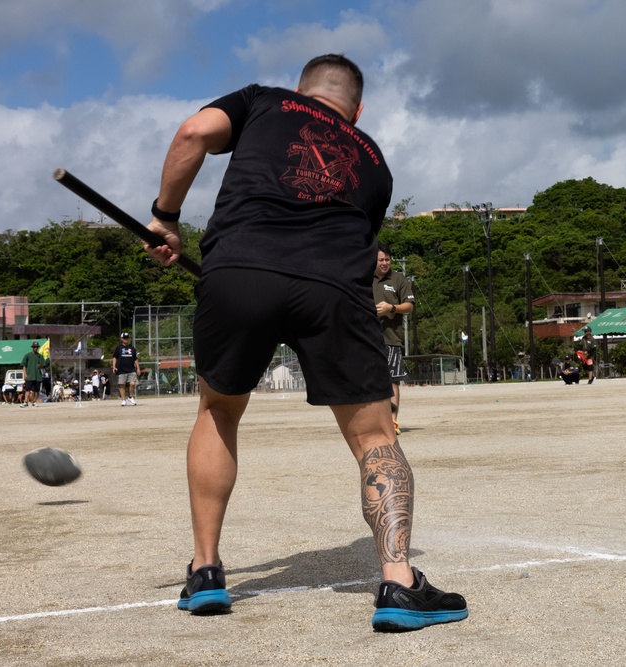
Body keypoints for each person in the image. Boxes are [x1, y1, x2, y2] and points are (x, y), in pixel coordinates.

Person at [143, 54, 467, 631]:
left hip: (240, 268)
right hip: (334, 288)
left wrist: (165, 217)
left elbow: (193, 131)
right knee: (374, 435)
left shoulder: (263, 101)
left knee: (219, 411)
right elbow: (363, 249)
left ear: (302, 90)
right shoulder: (374, 161)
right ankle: (398, 582)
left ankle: (207, 571)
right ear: (357, 109)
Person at [372, 242, 414, 435]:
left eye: (387, 259)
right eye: (381, 259)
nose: (384, 263)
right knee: (367, 380)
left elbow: (410, 306)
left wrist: (391, 308)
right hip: (366, 338)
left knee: (393, 381)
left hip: (390, 339)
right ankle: (372, 422)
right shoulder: (363, 278)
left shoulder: (399, 280)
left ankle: (392, 421)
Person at [112, 332, 141, 406]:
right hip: (121, 369)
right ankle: (123, 400)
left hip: (131, 369)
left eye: (127, 338)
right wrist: (114, 366)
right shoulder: (118, 348)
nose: (126, 339)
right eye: (124, 338)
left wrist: (138, 368)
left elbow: (135, 359)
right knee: (122, 385)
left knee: (132, 383)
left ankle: (130, 397)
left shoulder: (132, 348)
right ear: (122, 339)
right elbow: (115, 357)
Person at [21, 341, 46, 407]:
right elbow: (24, 365)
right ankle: (25, 402)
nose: (35, 348)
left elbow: (43, 365)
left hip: (38, 376)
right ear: (32, 347)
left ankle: (34, 402)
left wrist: (40, 366)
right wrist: (25, 374)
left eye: (37, 347)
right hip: (30, 375)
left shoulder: (40, 356)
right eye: (34, 347)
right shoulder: (28, 355)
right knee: (27, 389)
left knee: (37, 390)